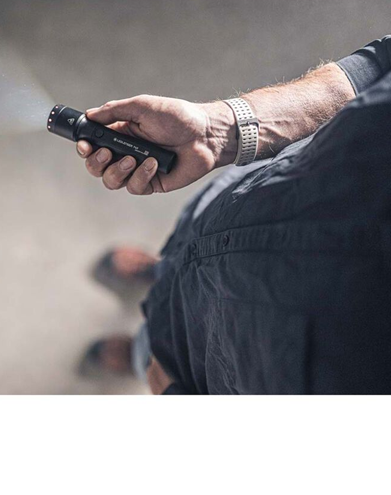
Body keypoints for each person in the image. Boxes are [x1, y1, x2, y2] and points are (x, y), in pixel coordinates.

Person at [76, 35, 391, 394]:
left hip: (223, 351)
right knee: (166, 295)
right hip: (214, 232)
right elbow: (378, 64)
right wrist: (220, 129)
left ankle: (140, 347)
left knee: (153, 350)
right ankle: (153, 286)